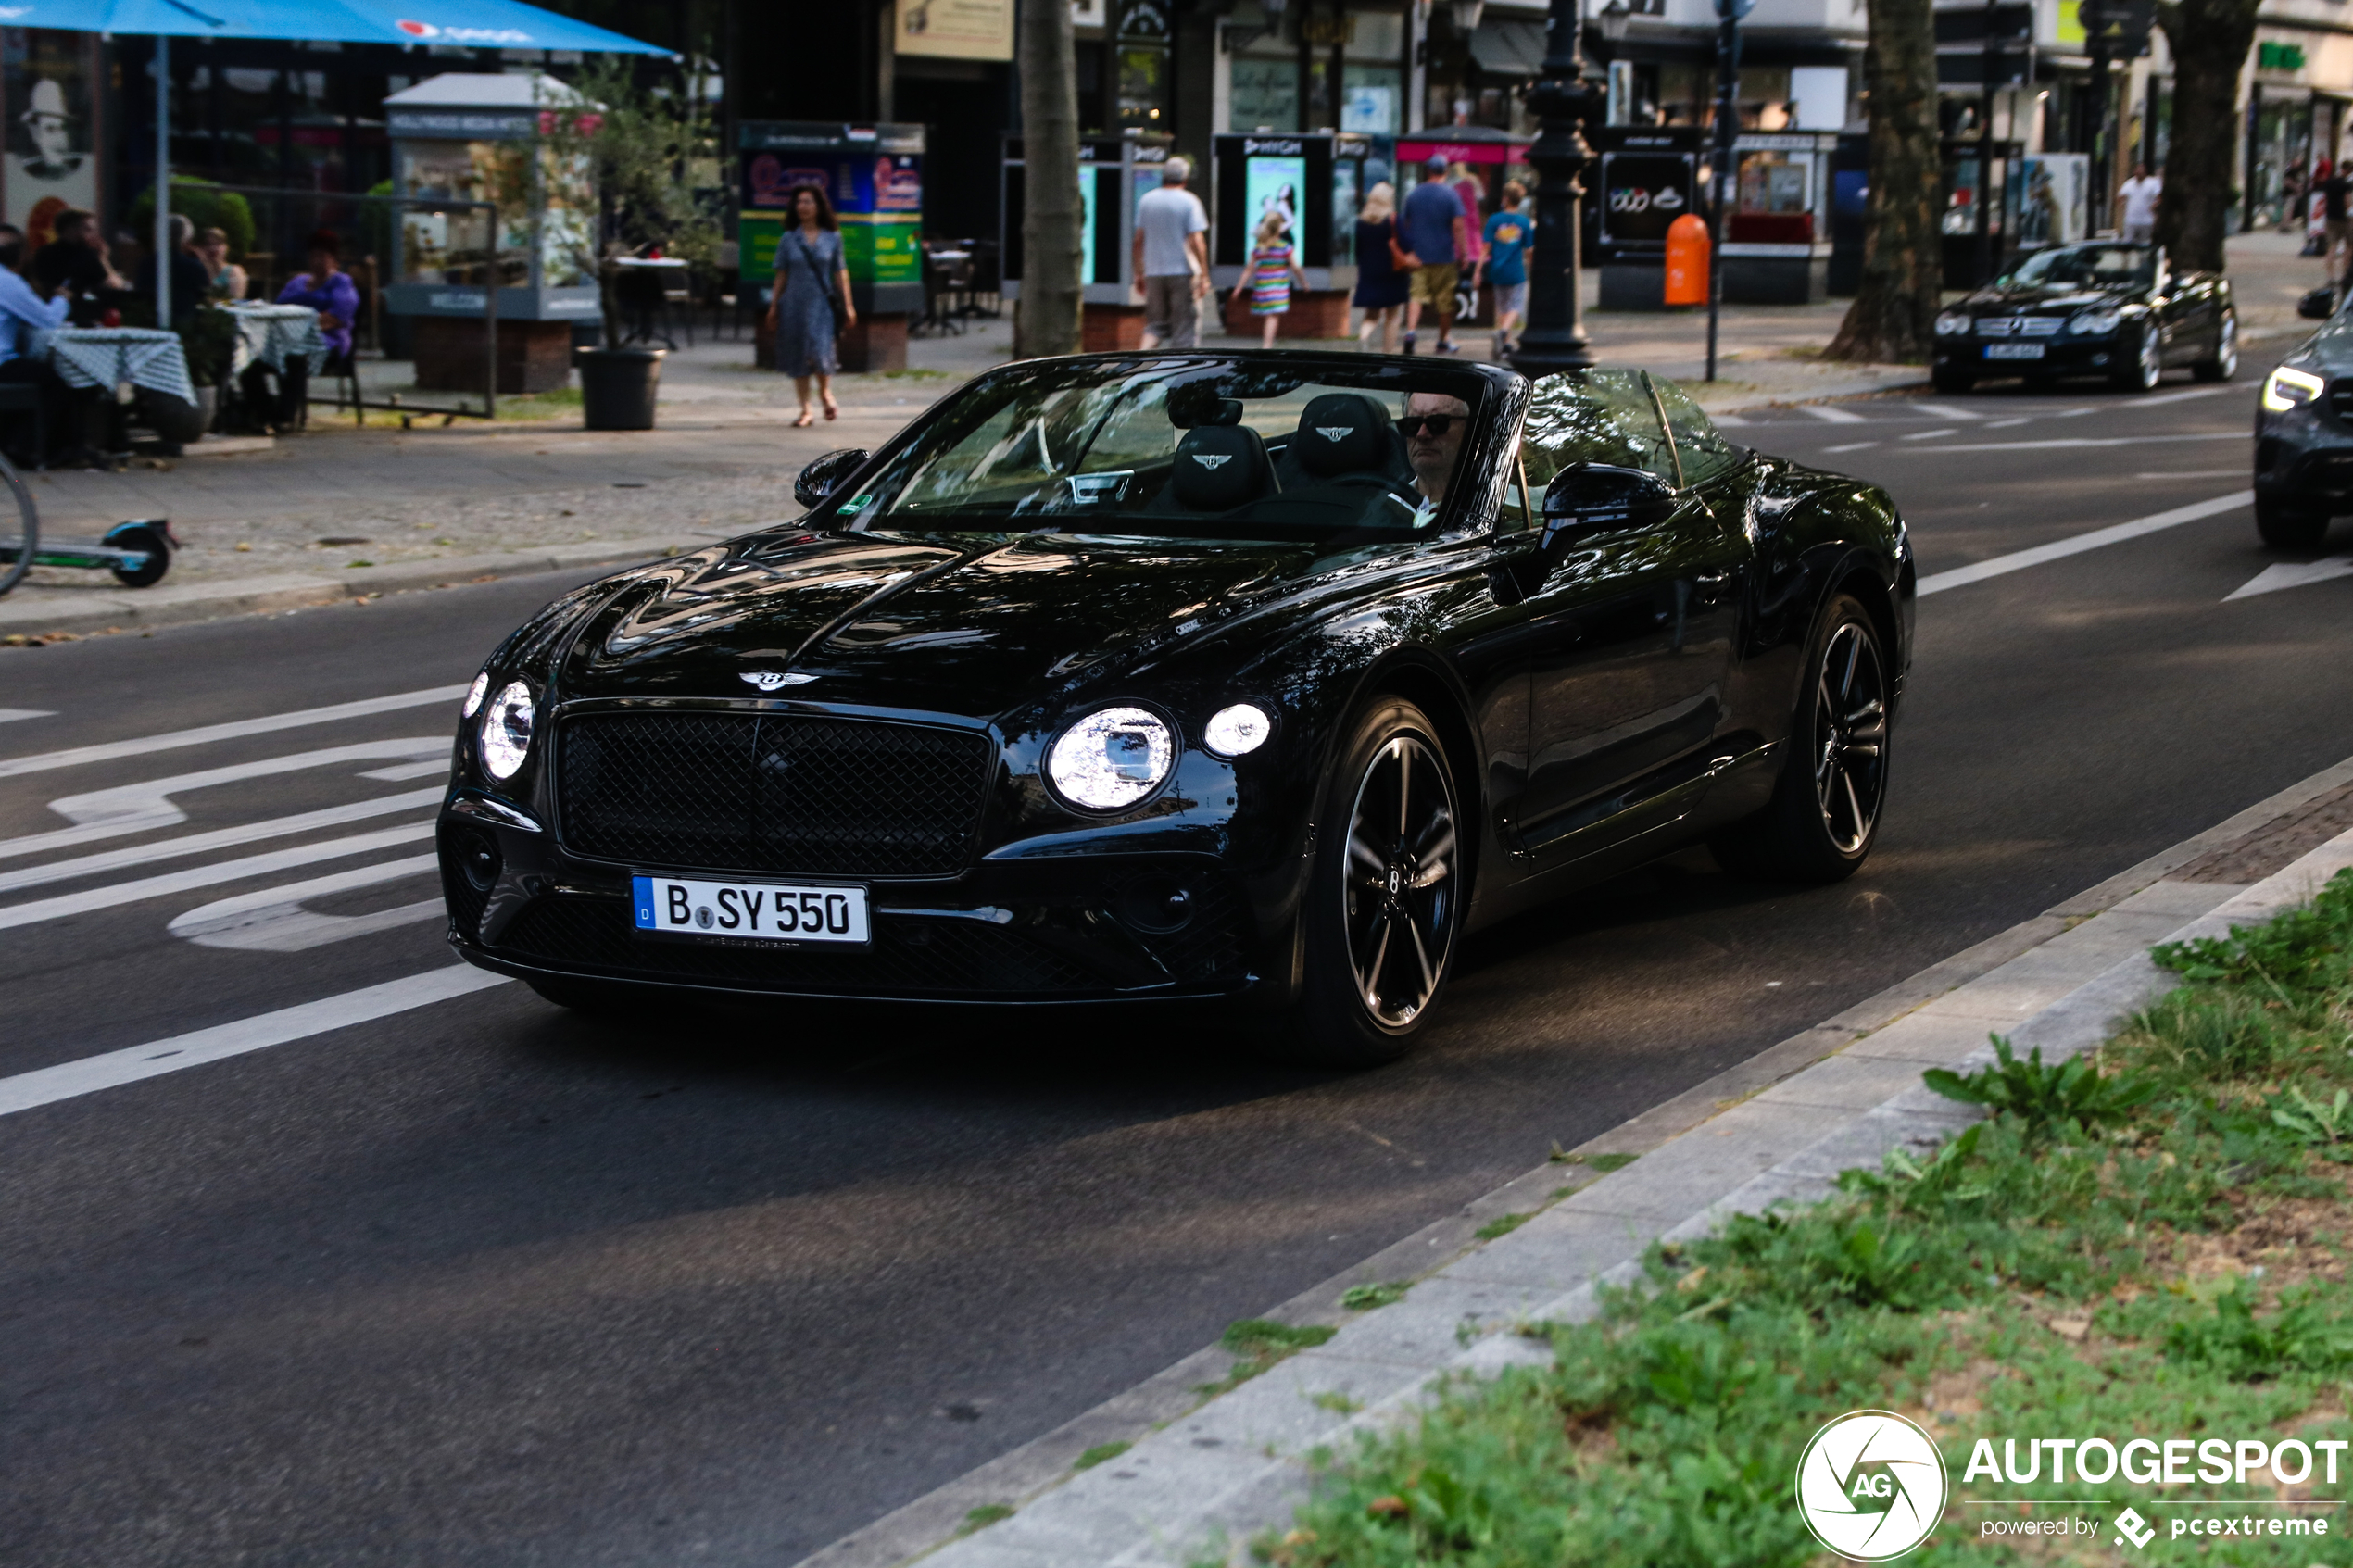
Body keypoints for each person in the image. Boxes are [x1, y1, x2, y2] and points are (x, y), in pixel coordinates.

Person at [764, 183, 855, 427]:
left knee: (820, 350)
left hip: (822, 303)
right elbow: (781, 274)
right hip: (793, 303)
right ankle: (805, 409)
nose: (802, 207)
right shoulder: (788, 238)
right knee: (797, 355)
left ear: (819, 206)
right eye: (799, 202)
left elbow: (840, 272)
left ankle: (825, 392)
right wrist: (774, 305)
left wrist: (848, 305)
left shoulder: (832, 237)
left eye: (808, 202)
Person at [0, 231, 70, 465]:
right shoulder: (8, 282)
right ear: (20, 258)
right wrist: (62, 299)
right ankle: (24, 446)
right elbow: (47, 319)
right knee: (55, 382)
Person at [1132, 155, 1209, 350]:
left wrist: (1139, 273)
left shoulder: (1147, 200)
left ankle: (1139, 358)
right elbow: (1197, 241)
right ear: (1185, 178)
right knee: (1183, 329)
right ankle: (1179, 373)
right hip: (1182, 272)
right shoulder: (1189, 201)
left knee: (1154, 326)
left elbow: (1138, 241)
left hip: (1154, 273)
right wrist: (1205, 274)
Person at [1398, 153, 1470, 355]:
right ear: (1445, 172)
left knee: (1416, 296)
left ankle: (1411, 333)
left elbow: (1405, 225)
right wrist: (1463, 254)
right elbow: (1458, 226)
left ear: (1428, 171)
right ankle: (1442, 340)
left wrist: (1409, 251)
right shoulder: (1451, 195)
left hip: (1418, 257)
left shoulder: (1414, 194)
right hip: (1444, 257)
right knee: (1445, 301)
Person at [276, 229, 359, 360]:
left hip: (328, 341)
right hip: (290, 338)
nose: (316, 261)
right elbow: (277, 309)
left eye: (321, 256)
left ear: (333, 259)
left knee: (294, 355)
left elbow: (334, 318)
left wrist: (297, 328)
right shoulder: (297, 282)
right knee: (254, 365)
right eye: (313, 256)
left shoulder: (341, 283)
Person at [33, 209, 121, 327]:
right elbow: (113, 285)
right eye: (88, 229)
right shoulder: (86, 256)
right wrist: (103, 259)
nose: (94, 235)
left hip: (56, 313)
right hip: (74, 316)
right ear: (70, 229)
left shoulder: (43, 252)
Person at [1234, 208, 1307, 348]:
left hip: (1262, 287)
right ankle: (1267, 344)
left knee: (1268, 315)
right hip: (1278, 287)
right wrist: (1304, 283)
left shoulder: (1259, 247)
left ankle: (1267, 342)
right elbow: (1296, 267)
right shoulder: (1285, 247)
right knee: (1272, 316)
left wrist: (1238, 288)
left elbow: (1248, 270)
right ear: (1279, 228)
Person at [1478, 182, 1532, 360]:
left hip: (1497, 270)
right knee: (1516, 306)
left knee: (1502, 307)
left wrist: (1477, 270)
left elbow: (1485, 247)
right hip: (1516, 270)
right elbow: (1529, 249)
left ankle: (1505, 345)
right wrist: (1531, 266)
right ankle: (1503, 332)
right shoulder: (1524, 223)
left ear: (1505, 199)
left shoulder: (1494, 220)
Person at [1351, 182, 1407, 353]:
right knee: (1393, 315)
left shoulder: (1361, 221)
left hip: (1369, 271)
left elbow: (1358, 249)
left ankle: (1363, 337)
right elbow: (1404, 243)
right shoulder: (1393, 220)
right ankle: (1388, 352)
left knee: (1371, 314)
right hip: (1392, 271)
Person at [1401, 390, 1471, 512]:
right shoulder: (1384, 507)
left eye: (1437, 423)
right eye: (1412, 424)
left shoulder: (1497, 505)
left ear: (1470, 429)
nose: (1421, 434)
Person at [164, 213, 209, 327]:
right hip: (186, 326)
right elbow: (205, 295)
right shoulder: (193, 266)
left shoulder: (147, 263)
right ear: (186, 239)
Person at [2118, 163, 2162, 245]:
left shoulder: (2152, 183)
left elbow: (2159, 197)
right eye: (2137, 172)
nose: (2138, 174)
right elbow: (2120, 196)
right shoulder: (2129, 183)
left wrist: (2155, 205)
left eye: (2141, 171)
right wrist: (2122, 204)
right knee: (2127, 243)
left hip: (2146, 220)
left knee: (2145, 243)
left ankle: (2143, 258)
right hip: (2131, 220)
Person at [199, 226, 247, 302]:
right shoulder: (199, 270)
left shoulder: (235, 271)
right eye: (208, 244)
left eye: (217, 244)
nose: (212, 248)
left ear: (225, 247)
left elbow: (236, 299)